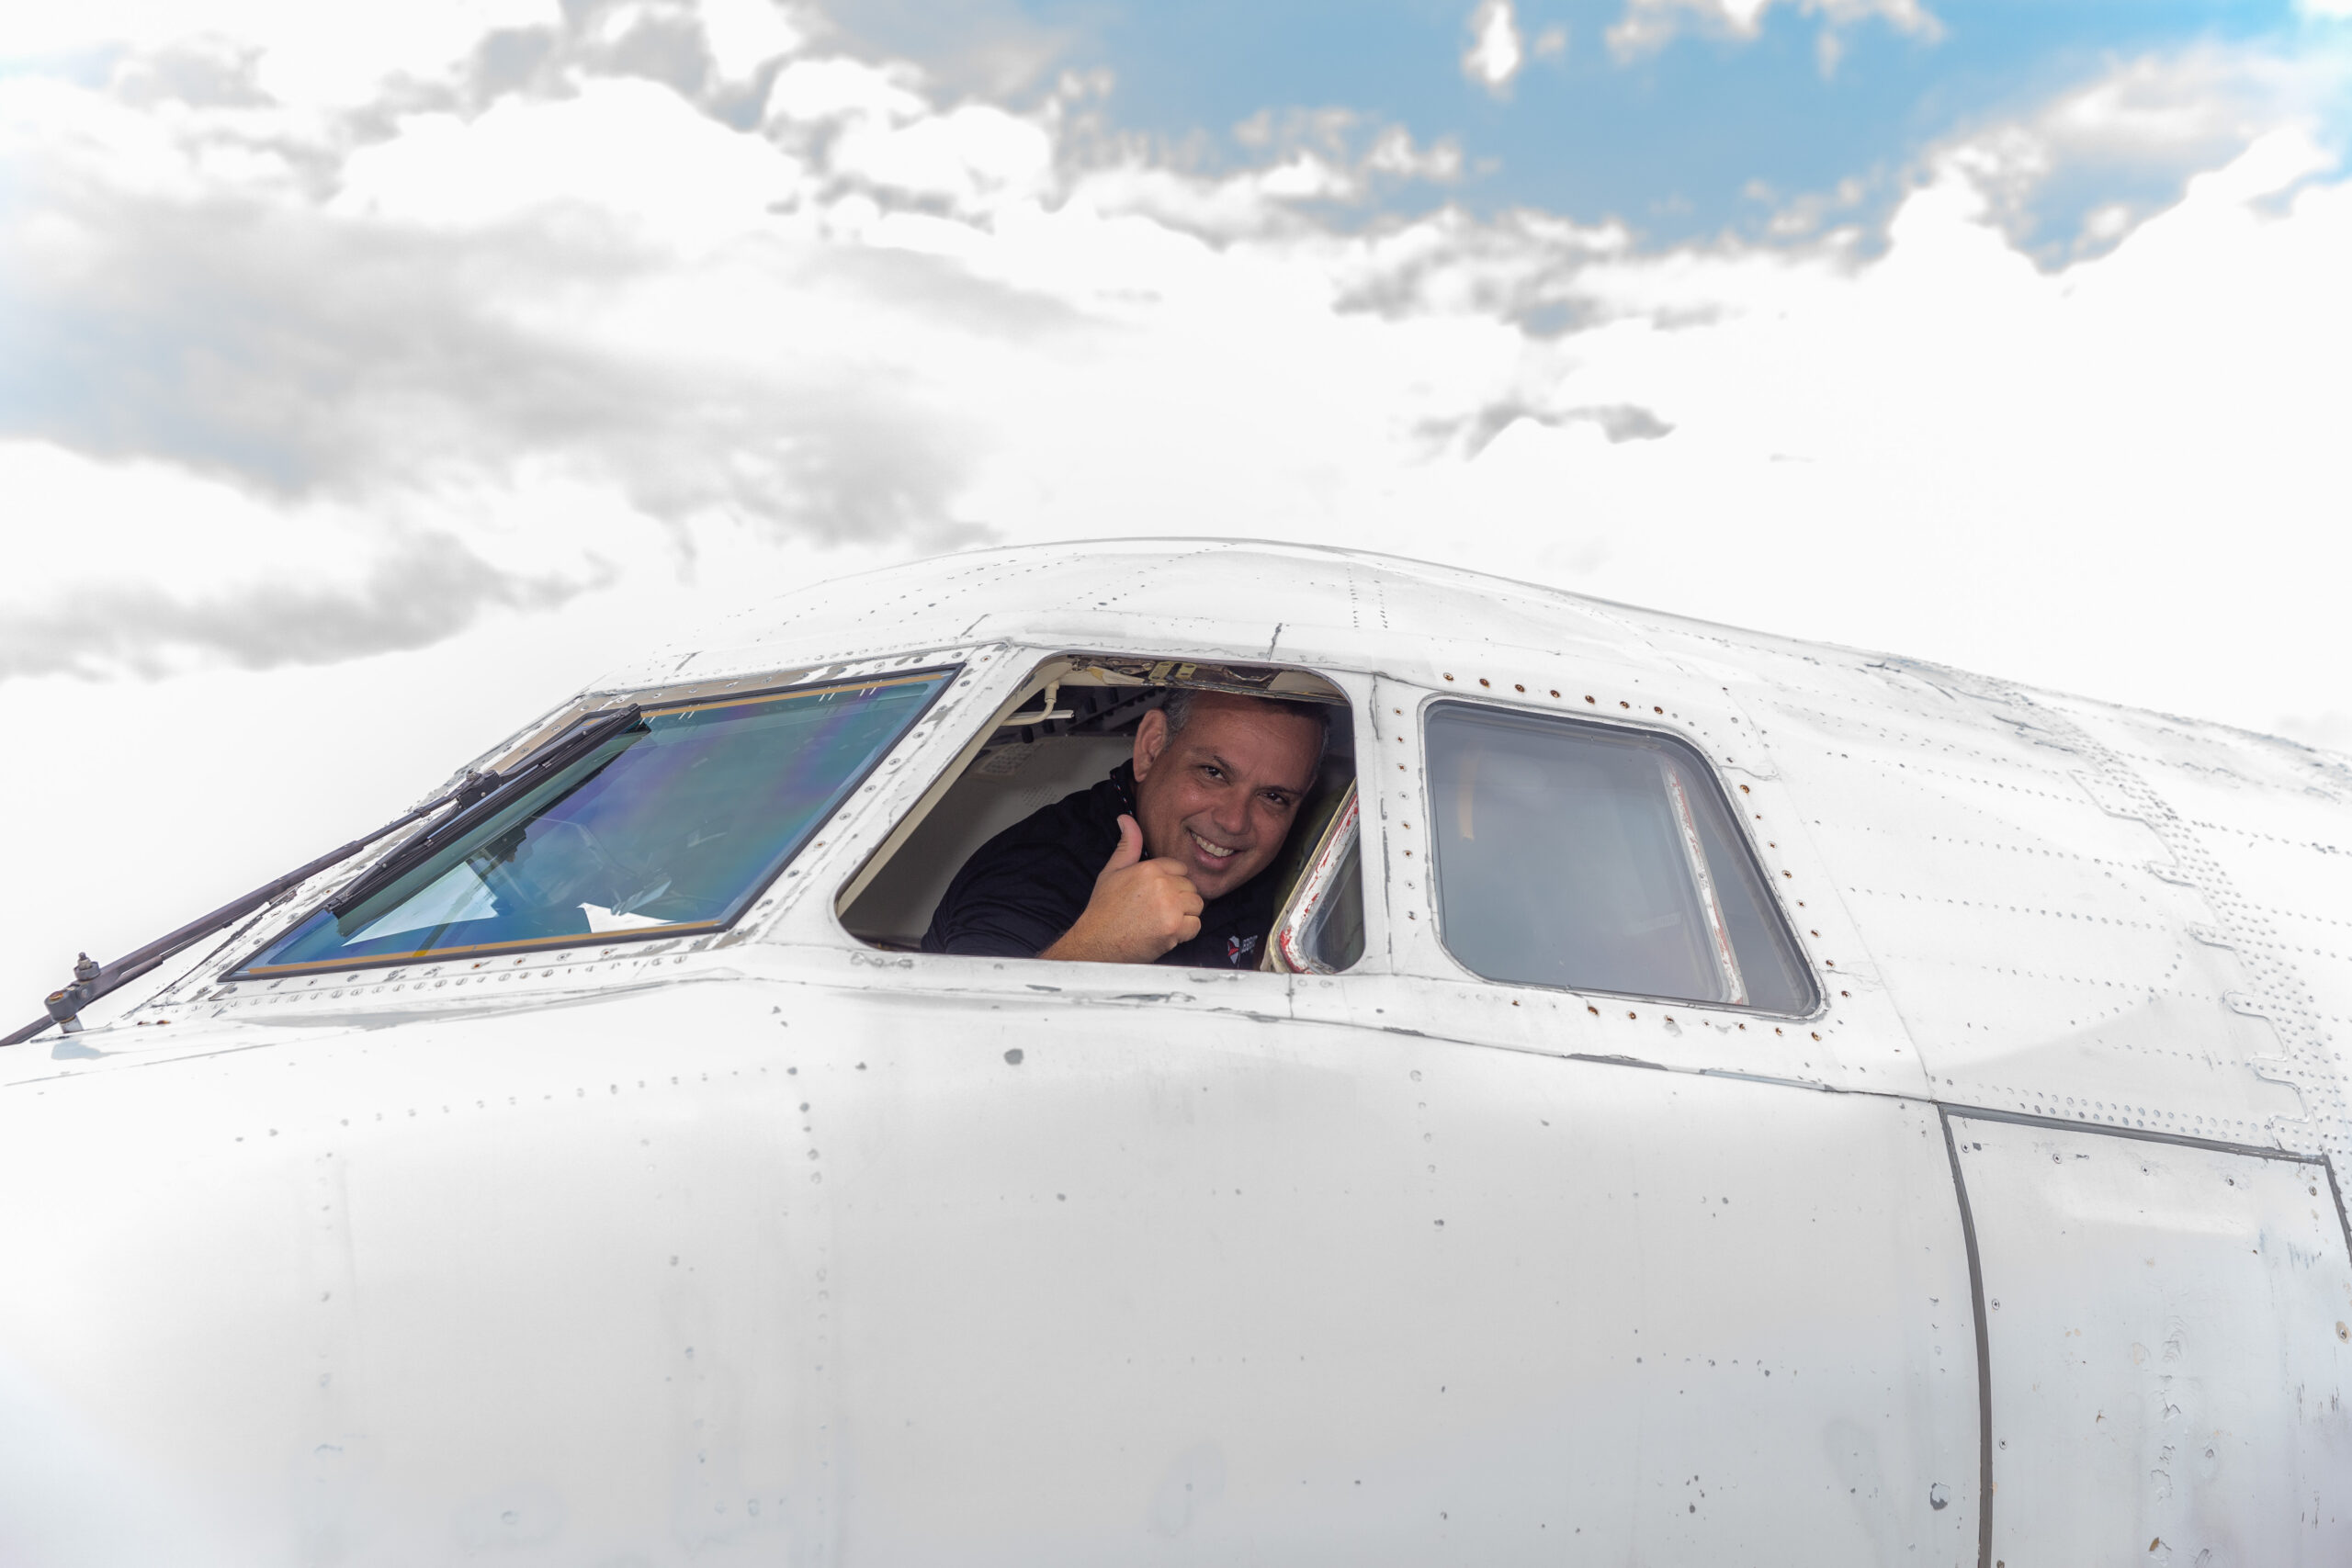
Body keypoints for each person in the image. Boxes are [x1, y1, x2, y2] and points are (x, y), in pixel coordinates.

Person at [922, 689, 1327, 967]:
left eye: (1273, 797)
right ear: (1151, 748)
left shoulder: (1289, 867)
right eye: (1212, 772)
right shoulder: (1032, 876)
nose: (1234, 821)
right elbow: (962, 1049)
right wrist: (1099, 947)